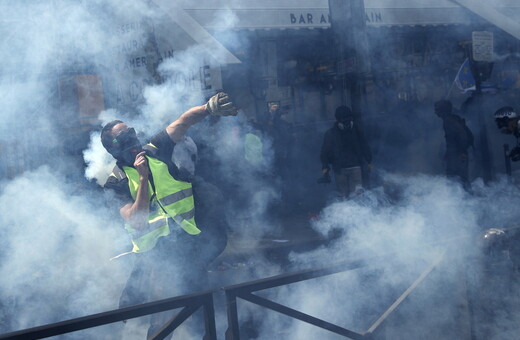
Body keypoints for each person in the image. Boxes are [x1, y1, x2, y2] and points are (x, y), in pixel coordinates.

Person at [101, 92, 237, 338]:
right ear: (114, 148)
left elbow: (182, 122)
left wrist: (208, 108)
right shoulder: (116, 183)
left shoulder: (155, 150)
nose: (133, 139)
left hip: (190, 239)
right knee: (164, 310)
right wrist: (143, 178)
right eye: (124, 137)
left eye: (132, 131)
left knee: (196, 299)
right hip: (156, 254)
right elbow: (138, 221)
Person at [319, 105, 372, 198]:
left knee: (357, 196)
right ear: (338, 120)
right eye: (343, 119)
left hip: (355, 168)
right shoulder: (331, 134)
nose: (347, 121)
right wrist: (325, 168)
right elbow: (325, 153)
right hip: (340, 170)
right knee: (343, 196)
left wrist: (369, 160)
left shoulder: (357, 130)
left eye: (348, 118)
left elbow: (364, 146)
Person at [434, 99, 474, 190]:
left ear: (443, 110)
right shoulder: (450, 119)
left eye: (437, 109)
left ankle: (464, 198)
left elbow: (462, 135)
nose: (435, 112)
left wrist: (462, 152)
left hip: (458, 155)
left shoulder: (449, 121)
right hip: (455, 155)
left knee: (458, 178)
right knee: (457, 178)